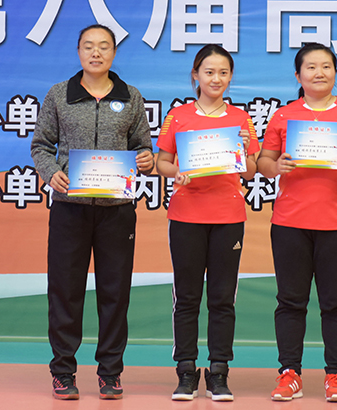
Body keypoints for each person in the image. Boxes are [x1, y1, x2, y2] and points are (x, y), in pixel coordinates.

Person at [31, 24, 154, 400]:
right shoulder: (59, 95)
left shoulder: (131, 97)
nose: (96, 53)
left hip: (117, 211)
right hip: (70, 209)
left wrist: (146, 160)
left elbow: (142, 148)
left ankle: (110, 373)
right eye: (88, 46)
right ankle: (63, 371)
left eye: (103, 46)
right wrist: (51, 173)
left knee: (115, 293)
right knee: (65, 291)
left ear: (114, 53)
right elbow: (41, 145)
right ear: (78, 52)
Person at [258, 43, 337, 403]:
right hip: (290, 222)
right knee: (290, 301)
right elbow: (264, 161)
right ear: (298, 75)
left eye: (326, 66)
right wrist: (275, 166)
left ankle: (335, 375)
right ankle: (289, 373)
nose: (319, 73)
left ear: (335, 73)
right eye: (311, 67)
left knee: (335, 302)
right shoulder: (284, 116)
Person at [156, 44, 259, 402]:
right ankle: (186, 370)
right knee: (186, 296)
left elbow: (250, 170)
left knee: (222, 297)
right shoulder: (178, 116)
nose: (216, 79)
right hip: (186, 215)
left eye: (223, 73)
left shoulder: (241, 119)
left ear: (230, 78)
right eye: (209, 72)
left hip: (228, 217)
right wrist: (176, 172)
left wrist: (245, 150)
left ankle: (219, 371)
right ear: (195, 75)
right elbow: (162, 162)